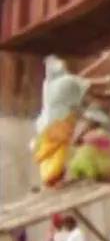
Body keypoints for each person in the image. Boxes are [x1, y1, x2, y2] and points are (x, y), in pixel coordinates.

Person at [33, 56, 91, 187]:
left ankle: (48, 178)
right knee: (59, 150)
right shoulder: (66, 81)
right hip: (60, 119)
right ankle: (55, 178)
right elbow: (83, 86)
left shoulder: (47, 84)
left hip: (45, 121)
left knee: (48, 150)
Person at [66, 104, 110, 183]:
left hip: (104, 165)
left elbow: (77, 140)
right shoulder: (98, 134)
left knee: (84, 151)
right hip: (105, 163)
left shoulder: (98, 134)